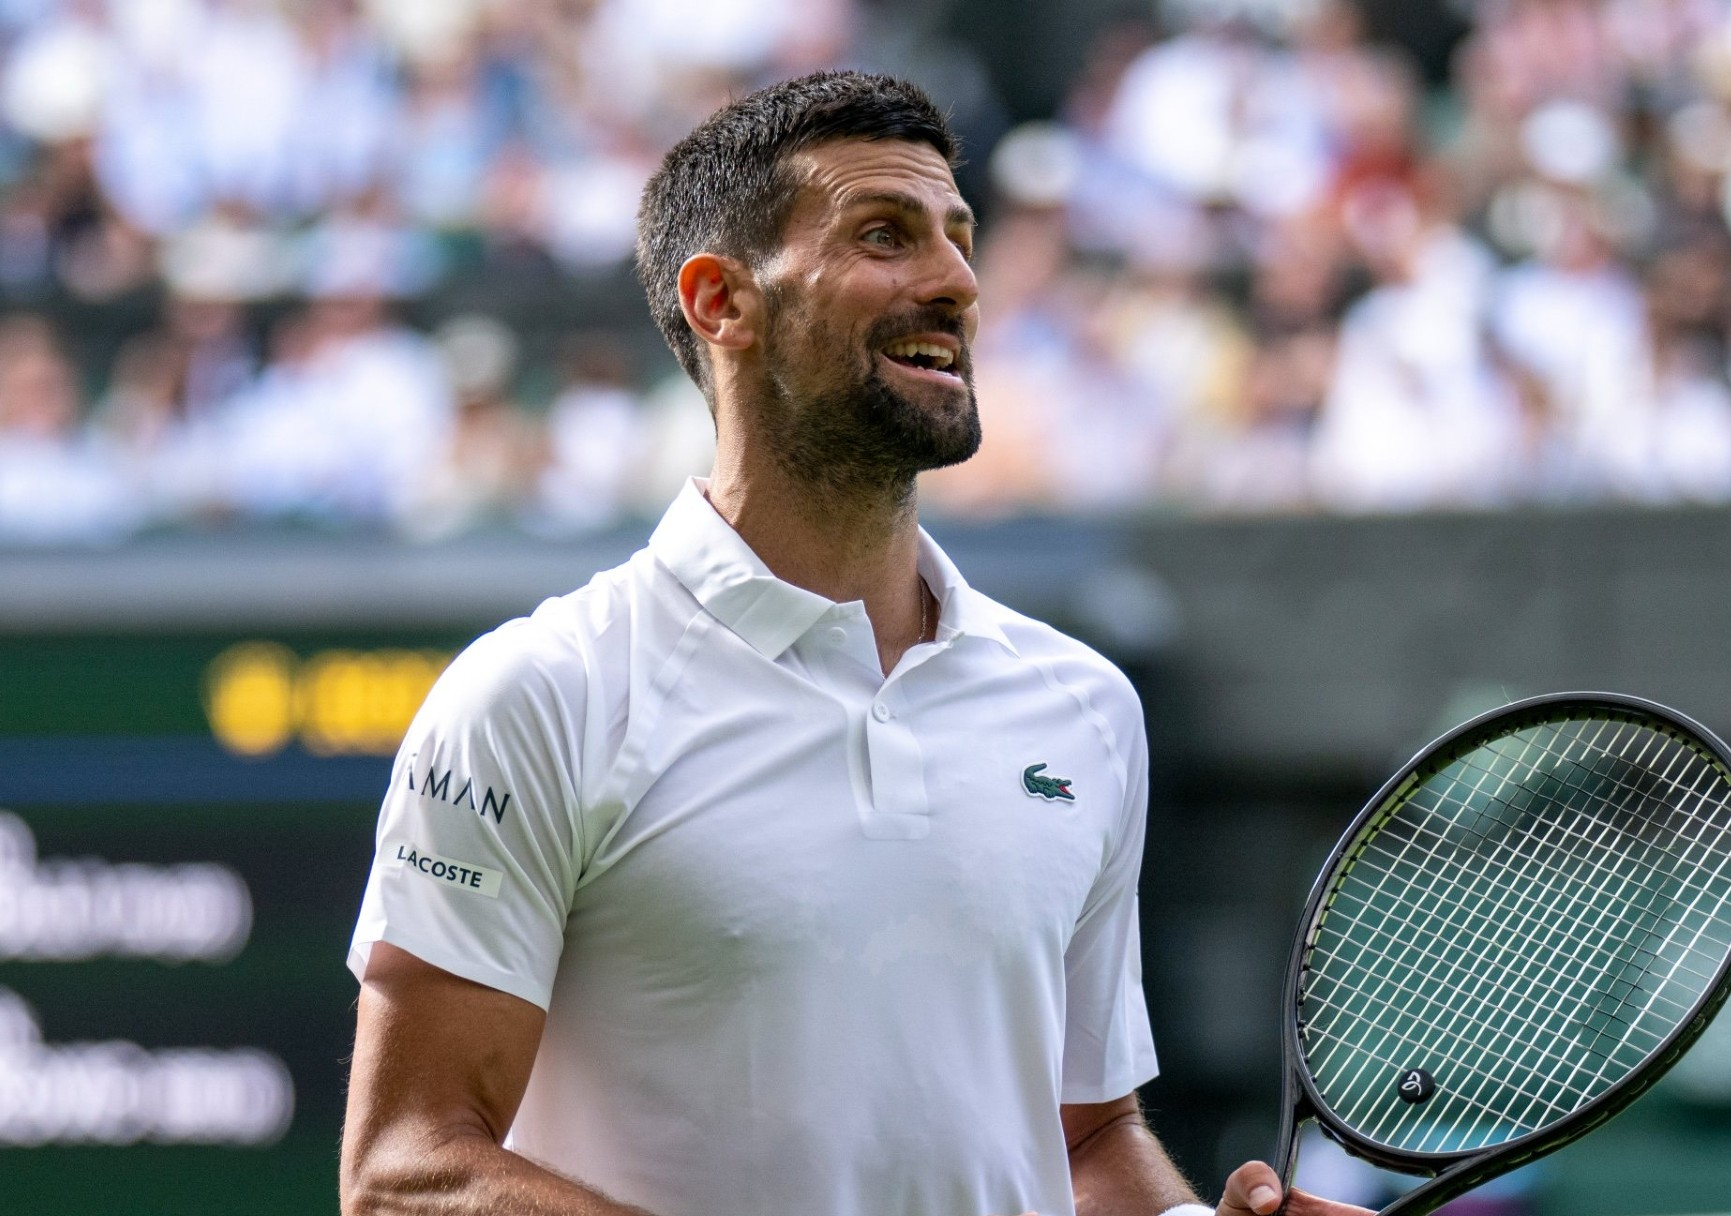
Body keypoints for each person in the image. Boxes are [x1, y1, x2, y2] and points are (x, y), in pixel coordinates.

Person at [339, 71, 1371, 1216]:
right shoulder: (537, 695)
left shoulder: (1085, 706)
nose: (957, 281)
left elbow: (1082, 1139)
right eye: (885, 235)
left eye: (959, 238)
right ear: (721, 302)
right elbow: (407, 1171)